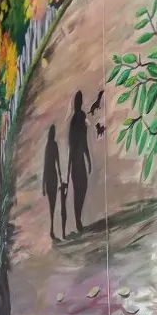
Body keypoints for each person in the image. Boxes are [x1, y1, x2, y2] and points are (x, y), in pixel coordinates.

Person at [66, 91, 92, 232]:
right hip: (79, 159)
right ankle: (78, 218)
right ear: (79, 103)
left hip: (75, 160)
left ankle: (78, 218)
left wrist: (69, 166)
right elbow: (84, 140)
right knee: (82, 188)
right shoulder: (81, 116)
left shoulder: (73, 120)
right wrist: (88, 159)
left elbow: (73, 143)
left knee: (79, 190)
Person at [42, 125, 63, 241]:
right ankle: (51, 229)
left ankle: (52, 229)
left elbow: (45, 166)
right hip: (53, 177)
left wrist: (43, 185)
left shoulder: (47, 146)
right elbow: (58, 162)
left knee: (52, 204)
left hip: (49, 178)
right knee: (53, 204)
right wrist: (60, 176)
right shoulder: (54, 145)